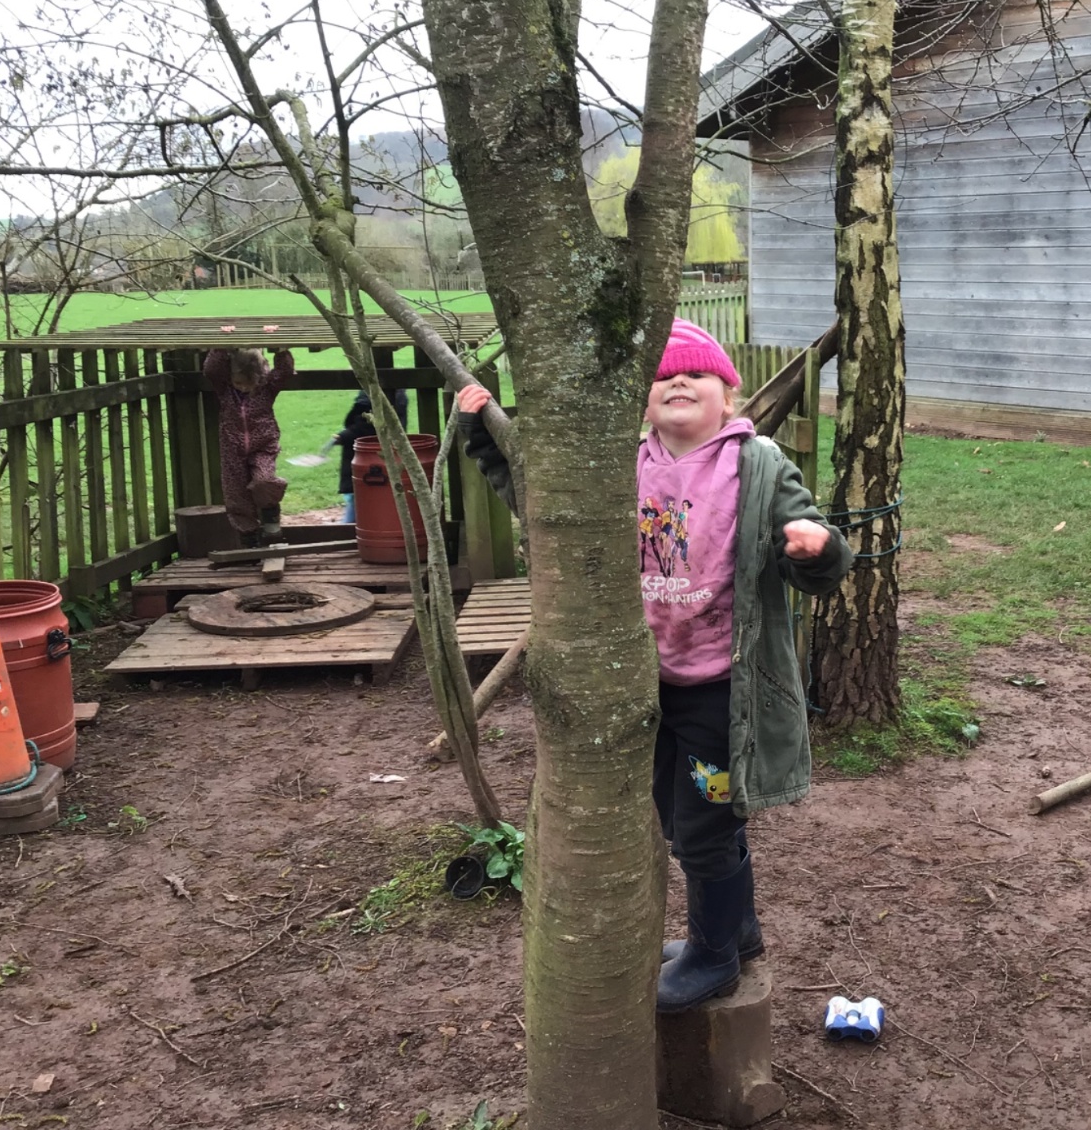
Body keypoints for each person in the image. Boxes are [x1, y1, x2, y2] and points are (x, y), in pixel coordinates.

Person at [458, 318, 851, 1012]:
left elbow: (812, 549)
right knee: (678, 818)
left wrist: (815, 549)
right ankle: (738, 932)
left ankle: (714, 957)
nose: (678, 382)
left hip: (720, 691)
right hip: (645, 681)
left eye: (696, 374)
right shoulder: (625, 465)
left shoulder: (756, 464)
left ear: (728, 397)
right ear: (642, 398)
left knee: (704, 829)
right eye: (664, 375)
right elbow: (543, 506)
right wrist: (485, 435)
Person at [202, 346, 294, 546]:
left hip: (263, 446)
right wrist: (222, 346)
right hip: (232, 448)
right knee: (235, 494)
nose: (243, 388)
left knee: (264, 480)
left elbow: (284, 371)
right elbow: (211, 370)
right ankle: (248, 536)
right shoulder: (226, 390)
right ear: (230, 376)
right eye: (238, 383)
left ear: (259, 377)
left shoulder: (267, 388)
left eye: (249, 383)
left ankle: (270, 517)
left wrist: (281, 350)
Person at [331, 390, 410, 523]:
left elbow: (367, 427)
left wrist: (344, 436)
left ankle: (348, 528)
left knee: (359, 498)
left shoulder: (373, 396)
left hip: (368, 459)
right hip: (383, 455)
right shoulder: (396, 393)